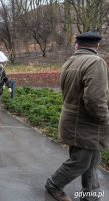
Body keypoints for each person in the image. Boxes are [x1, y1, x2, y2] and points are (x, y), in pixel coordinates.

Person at [45, 32, 109, 201]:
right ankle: (54, 184)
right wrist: (105, 119)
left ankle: (91, 195)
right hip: (87, 124)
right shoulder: (95, 62)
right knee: (80, 162)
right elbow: (94, 99)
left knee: (92, 161)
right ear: (97, 46)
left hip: (71, 120)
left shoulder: (69, 62)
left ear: (77, 45)